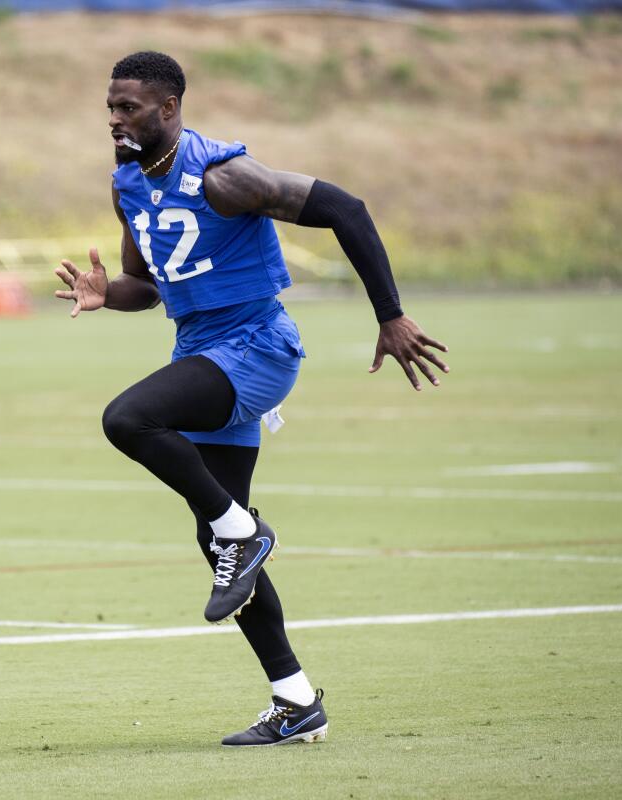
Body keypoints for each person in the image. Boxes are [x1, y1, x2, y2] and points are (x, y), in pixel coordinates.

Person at [54, 51, 449, 748]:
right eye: (109, 108)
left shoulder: (224, 177)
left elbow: (346, 210)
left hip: (258, 348)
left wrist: (390, 314)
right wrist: (106, 294)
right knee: (218, 543)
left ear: (169, 109)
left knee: (129, 419)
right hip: (201, 349)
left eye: (129, 108)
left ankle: (245, 529)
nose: (115, 120)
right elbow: (145, 286)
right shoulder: (127, 184)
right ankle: (296, 703)